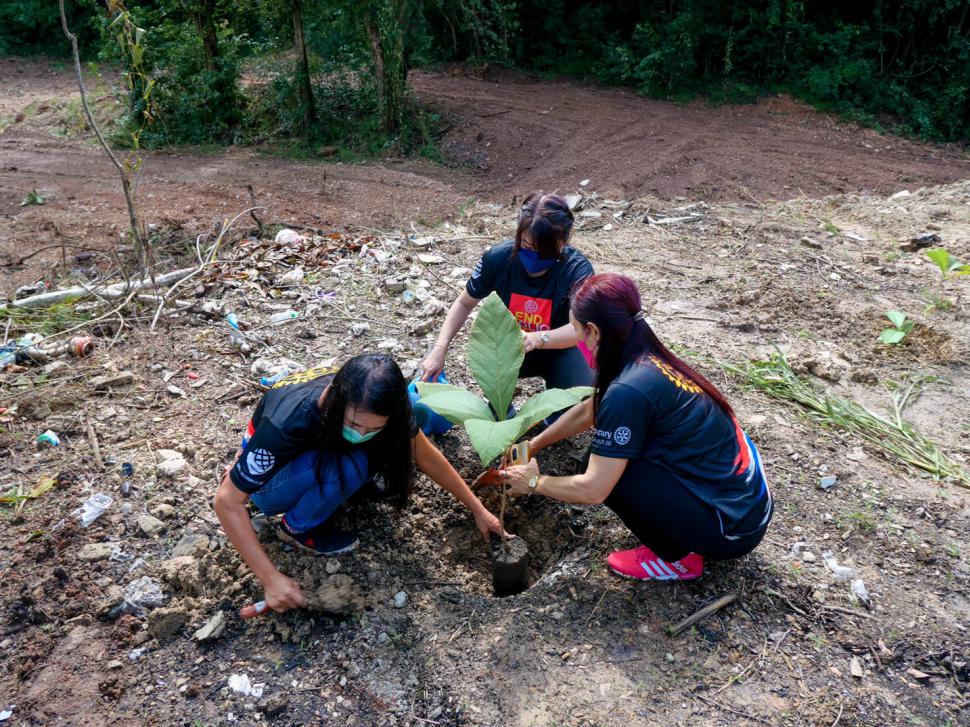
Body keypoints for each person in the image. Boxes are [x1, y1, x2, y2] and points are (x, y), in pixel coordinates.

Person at [500, 274, 772, 581]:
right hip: (744, 505)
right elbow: (590, 410)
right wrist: (533, 445)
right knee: (610, 454)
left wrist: (534, 482)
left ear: (594, 331)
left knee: (609, 471)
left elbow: (593, 489)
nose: (577, 341)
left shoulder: (628, 391)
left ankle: (678, 559)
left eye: (576, 330)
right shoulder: (644, 358)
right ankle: (685, 530)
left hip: (731, 529)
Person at [214, 354, 504, 612]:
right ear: (335, 400)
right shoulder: (288, 423)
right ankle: (297, 528)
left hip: (310, 455)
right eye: (353, 425)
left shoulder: (379, 401)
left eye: (374, 428)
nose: (361, 434)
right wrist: (271, 578)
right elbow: (227, 501)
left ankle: (334, 490)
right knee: (352, 464)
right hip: (269, 482)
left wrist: (478, 509)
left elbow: (427, 458)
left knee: (391, 438)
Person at [420, 192, 594, 394]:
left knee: (580, 394)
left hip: (560, 347)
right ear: (519, 234)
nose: (535, 255)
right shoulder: (498, 259)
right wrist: (440, 349)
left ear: (565, 240)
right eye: (527, 246)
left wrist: (538, 338)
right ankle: (501, 406)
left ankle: (557, 403)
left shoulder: (577, 270)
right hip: (507, 346)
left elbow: (578, 330)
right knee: (490, 367)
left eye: (546, 250)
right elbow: (464, 303)